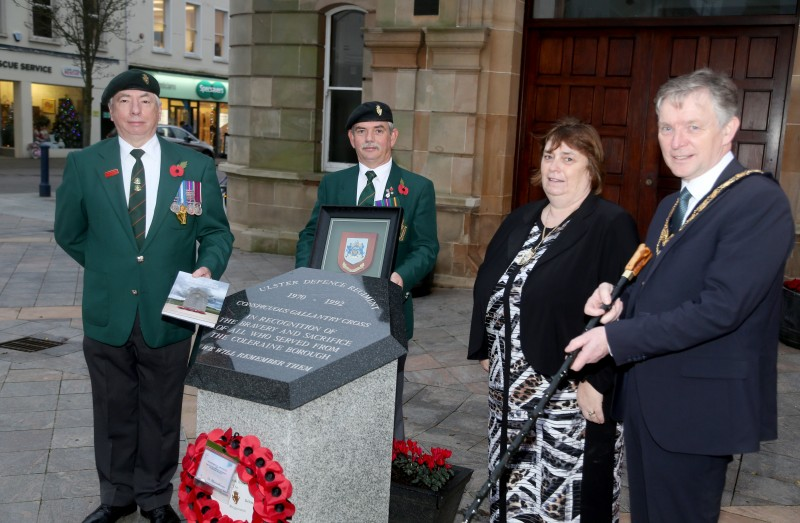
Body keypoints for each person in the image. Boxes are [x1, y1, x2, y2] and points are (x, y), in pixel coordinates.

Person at [565, 69, 795, 522]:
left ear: (728, 130)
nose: (677, 140)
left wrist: (614, 340)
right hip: (653, 400)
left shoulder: (757, 202)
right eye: (667, 128)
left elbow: (721, 308)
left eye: (693, 126)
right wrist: (620, 300)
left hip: (699, 410)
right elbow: (663, 286)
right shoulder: (674, 204)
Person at [55, 70, 234, 523]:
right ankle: (116, 497)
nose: (136, 110)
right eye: (125, 101)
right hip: (108, 309)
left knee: (161, 408)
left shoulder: (191, 167)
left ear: (159, 109)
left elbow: (211, 230)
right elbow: (70, 233)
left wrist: (208, 265)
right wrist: (108, 267)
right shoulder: (85, 164)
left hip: (174, 308)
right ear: (111, 110)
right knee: (112, 408)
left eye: (145, 101)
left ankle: (154, 498)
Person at [468, 117, 639, 522]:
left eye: (568, 157)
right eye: (548, 156)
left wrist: (598, 382)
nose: (554, 167)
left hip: (567, 390)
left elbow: (623, 312)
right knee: (513, 493)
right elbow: (490, 281)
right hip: (508, 389)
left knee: (566, 497)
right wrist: (486, 345)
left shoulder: (610, 225)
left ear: (590, 168)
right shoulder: (521, 218)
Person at [295, 101, 439, 440]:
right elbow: (310, 235)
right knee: (331, 401)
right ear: (351, 138)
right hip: (333, 312)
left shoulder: (416, 188)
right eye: (361, 132)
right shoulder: (335, 184)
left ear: (393, 136)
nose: (369, 138)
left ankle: (387, 479)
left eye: (378, 131)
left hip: (386, 311)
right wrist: (306, 278)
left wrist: (398, 279)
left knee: (385, 408)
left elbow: (426, 248)